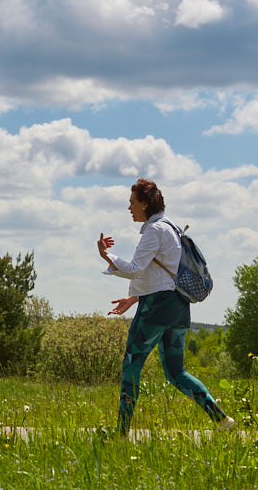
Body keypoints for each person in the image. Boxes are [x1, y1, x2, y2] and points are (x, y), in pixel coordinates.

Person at [97, 178, 232, 436]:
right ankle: (221, 419)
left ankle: (121, 433)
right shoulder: (171, 227)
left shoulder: (155, 230)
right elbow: (163, 275)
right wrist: (133, 298)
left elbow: (136, 268)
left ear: (145, 204)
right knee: (175, 372)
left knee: (131, 365)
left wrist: (107, 256)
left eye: (132, 202)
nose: (129, 208)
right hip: (178, 308)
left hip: (156, 308)